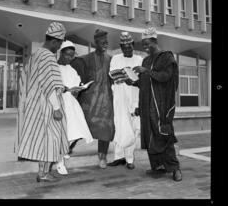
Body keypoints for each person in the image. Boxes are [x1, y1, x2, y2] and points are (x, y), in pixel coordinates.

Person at [16, 21, 69, 182]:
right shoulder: (48, 57)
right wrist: (56, 108)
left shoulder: (35, 55)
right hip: (47, 106)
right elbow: (50, 84)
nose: (59, 47)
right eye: (59, 44)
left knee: (44, 140)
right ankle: (44, 173)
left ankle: (42, 172)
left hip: (35, 105)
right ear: (54, 41)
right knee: (52, 139)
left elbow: (25, 80)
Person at [127, 27, 182, 182]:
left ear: (155, 41)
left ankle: (175, 168)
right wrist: (133, 82)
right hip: (147, 105)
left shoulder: (166, 57)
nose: (144, 47)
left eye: (147, 43)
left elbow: (166, 77)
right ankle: (157, 166)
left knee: (163, 135)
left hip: (161, 105)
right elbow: (146, 84)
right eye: (143, 44)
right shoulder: (146, 60)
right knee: (150, 136)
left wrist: (146, 71)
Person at [78, 29, 115, 169]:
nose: (105, 44)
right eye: (102, 41)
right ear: (95, 42)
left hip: (106, 99)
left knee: (105, 126)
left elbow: (113, 78)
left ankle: (102, 156)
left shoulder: (111, 59)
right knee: (80, 123)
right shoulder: (86, 59)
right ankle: (66, 149)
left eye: (106, 41)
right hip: (90, 98)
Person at [56, 40, 94, 175]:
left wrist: (78, 89)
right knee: (62, 133)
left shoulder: (71, 69)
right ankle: (60, 162)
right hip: (58, 102)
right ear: (61, 53)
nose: (70, 58)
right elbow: (52, 85)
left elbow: (75, 83)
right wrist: (66, 88)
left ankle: (64, 150)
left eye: (72, 56)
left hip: (71, 102)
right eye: (67, 55)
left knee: (77, 130)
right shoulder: (54, 67)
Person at [107, 32, 143, 170]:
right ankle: (118, 157)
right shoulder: (116, 58)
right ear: (121, 47)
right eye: (124, 47)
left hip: (134, 97)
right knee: (120, 125)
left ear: (133, 45)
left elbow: (141, 80)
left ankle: (129, 159)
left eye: (129, 46)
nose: (127, 49)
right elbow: (112, 75)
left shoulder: (139, 59)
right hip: (119, 97)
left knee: (133, 128)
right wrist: (119, 76)